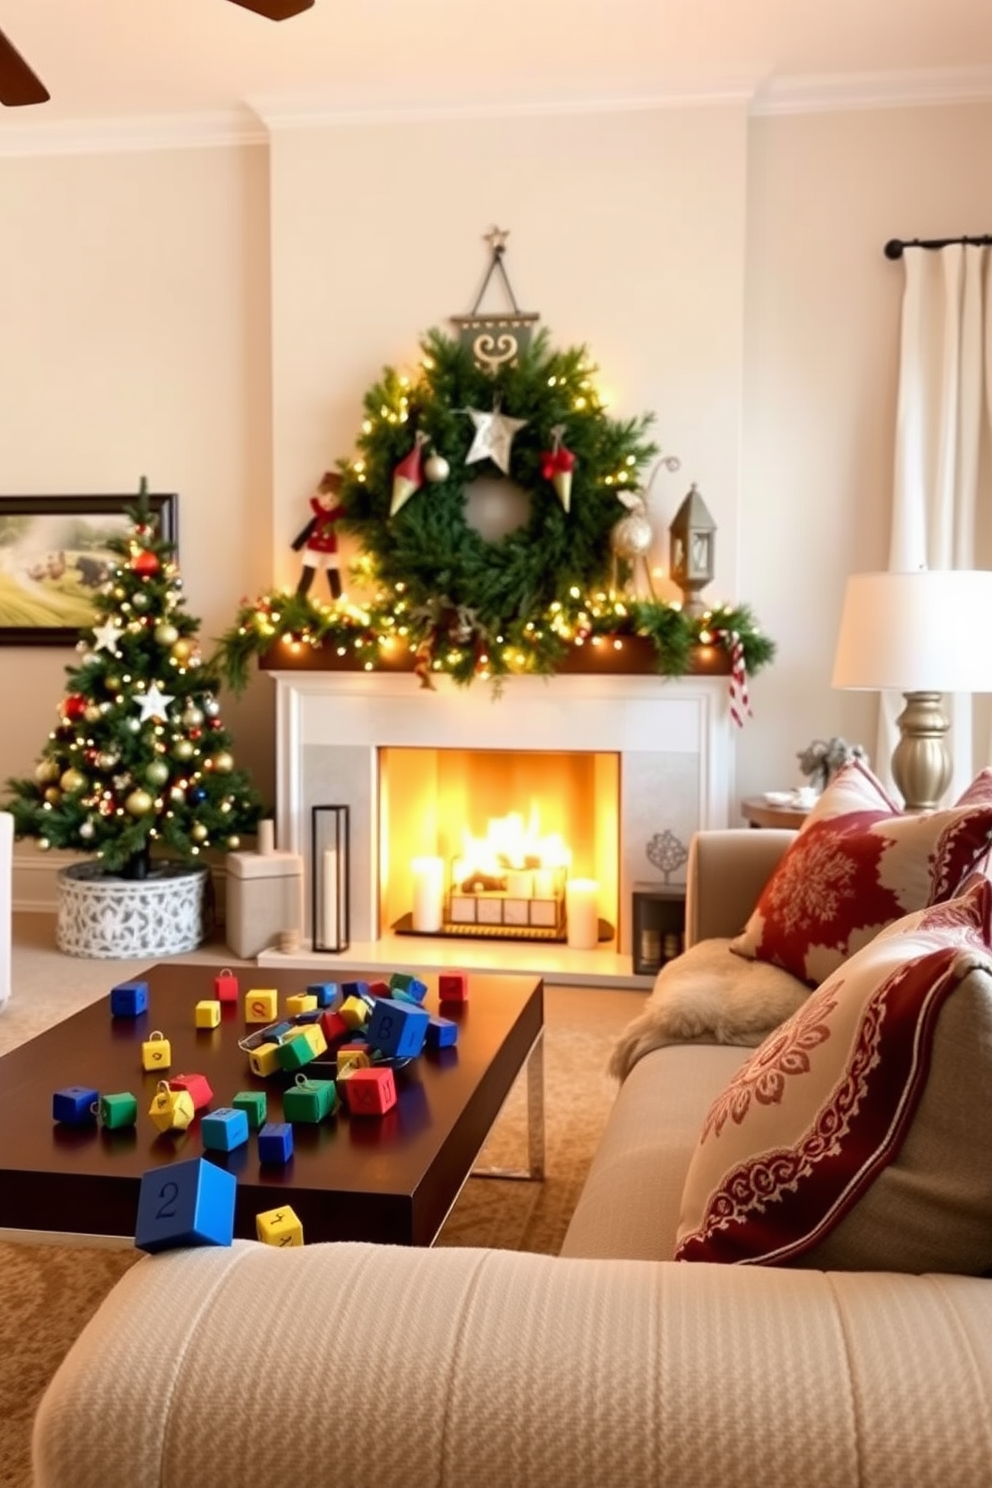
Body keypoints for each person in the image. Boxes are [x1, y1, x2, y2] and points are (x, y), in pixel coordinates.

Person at [292, 471, 344, 599]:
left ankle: (338, 599)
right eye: (325, 496)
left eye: (332, 498)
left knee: (333, 574)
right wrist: (297, 544)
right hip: (313, 550)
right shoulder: (318, 517)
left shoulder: (337, 518)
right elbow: (308, 530)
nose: (328, 501)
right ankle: (299, 600)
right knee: (307, 574)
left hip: (330, 552)